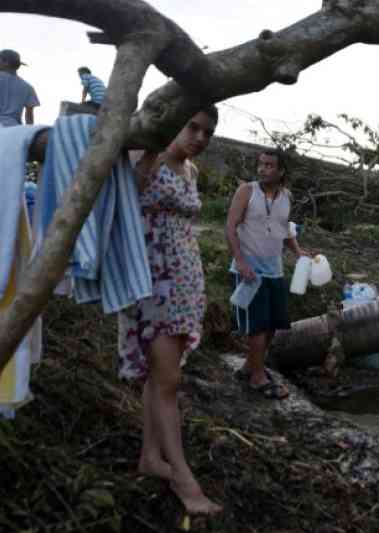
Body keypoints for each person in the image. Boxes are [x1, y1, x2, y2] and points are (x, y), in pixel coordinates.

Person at [118, 107, 222, 515]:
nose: (199, 136)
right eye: (192, 126)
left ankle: (150, 456)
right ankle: (183, 479)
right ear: (174, 122)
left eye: (207, 132)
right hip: (152, 284)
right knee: (168, 380)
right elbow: (123, 200)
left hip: (184, 283)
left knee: (161, 376)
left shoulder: (191, 171)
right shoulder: (145, 158)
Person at [226, 149, 309, 399]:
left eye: (269, 165)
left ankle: (250, 367)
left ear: (281, 170)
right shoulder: (247, 192)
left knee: (273, 324)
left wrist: (298, 251)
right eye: (261, 164)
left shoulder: (286, 196)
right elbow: (230, 227)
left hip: (274, 270)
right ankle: (257, 377)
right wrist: (240, 262)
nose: (263, 169)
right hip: (249, 270)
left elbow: (285, 228)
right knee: (258, 325)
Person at [0, 49, 39, 126]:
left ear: (6, 62)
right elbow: (29, 116)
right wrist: (29, 132)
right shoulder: (28, 87)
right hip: (14, 128)